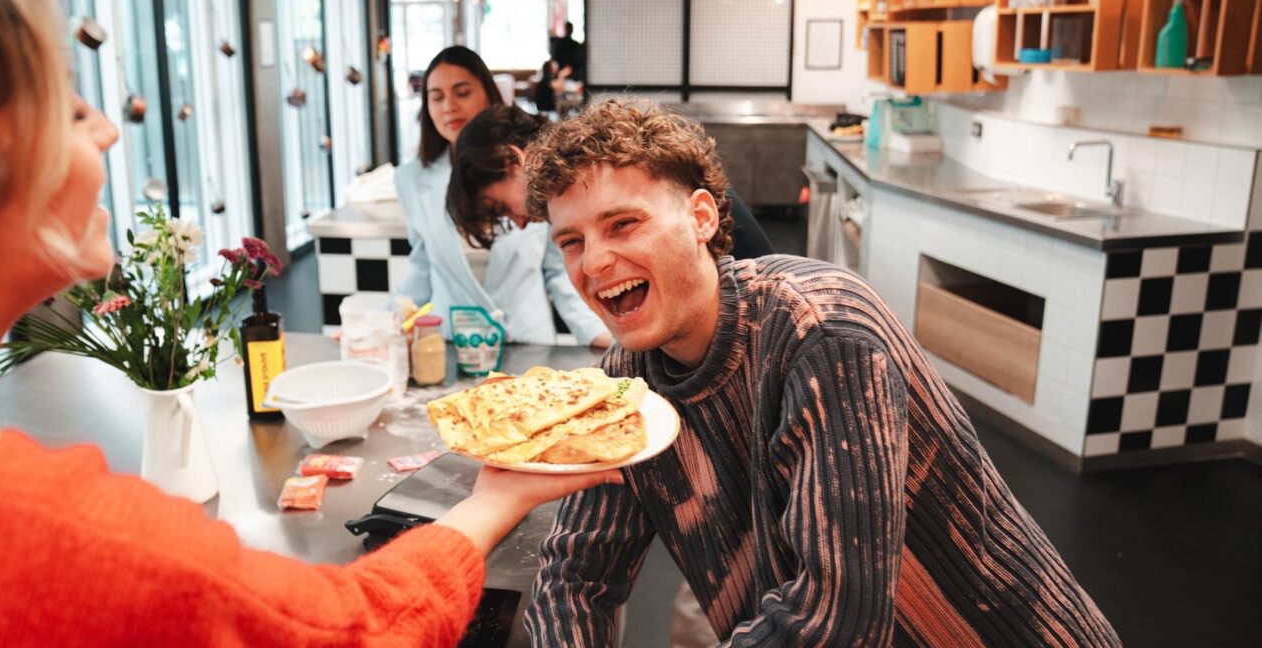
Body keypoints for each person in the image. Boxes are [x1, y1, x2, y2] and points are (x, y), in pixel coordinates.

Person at [0, 0, 617, 646]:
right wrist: (494, 497)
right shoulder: (77, 543)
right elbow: (353, 631)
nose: (102, 127)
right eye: (62, 108)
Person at [521, 100, 1120, 646]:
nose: (594, 261)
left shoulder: (822, 333)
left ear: (701, 217)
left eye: (623, 224)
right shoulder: (627, 380)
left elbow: (835, 620)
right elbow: (576, 575)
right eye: (571, 241)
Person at [395, 46, 609, 348]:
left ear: (488, 93)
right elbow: (421, 266)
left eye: (462, 92)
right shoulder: (411, 179)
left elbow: (557, 268)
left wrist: (598, 334)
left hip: (526, 340)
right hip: (456, 344)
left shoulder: (534, 166)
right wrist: (386, 322)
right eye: (437, 96)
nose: (449, 107)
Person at [447, 105, 775, 259]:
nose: (517, 224)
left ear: (512, 159)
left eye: (502, 207)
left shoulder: (611, 174)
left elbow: (754, 276)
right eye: (572, 243)